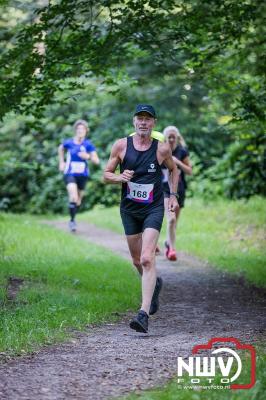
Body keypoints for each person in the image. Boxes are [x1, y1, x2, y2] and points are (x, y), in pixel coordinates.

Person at [103, 104, 179, 333]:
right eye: (140, 118)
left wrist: (173, 195)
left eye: (148, 119)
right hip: (129, 209)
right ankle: (155, 285)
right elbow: (106, 175)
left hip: (153, 208)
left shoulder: (162, 149)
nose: (143, 123)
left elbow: (174, 170)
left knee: (147, 258)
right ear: (134, 121)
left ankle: (143, 314)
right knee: (137, 261)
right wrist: (119, 178)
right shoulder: (121, 146)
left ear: (153, 123)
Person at [58, 119, 100, 232]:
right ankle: (72, 221)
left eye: (83, 129)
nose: (80, 131)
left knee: (78, 201)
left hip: (83, 175)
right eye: (78, 129)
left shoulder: (88, 145)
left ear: (86, 131)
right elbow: (60, 148)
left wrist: (88, 157)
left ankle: (73, 216)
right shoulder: (69, 142)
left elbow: (97, 161)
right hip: (70, 173)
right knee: (73, 196)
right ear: (75, 130)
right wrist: (61, 162)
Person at [162, 126, 192, 261]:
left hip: (179, 190)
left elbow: (190, 171)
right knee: (171, 219)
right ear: (165, 138)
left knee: (174, 223)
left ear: (177, 137)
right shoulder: (161, 151)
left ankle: (168, 243)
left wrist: (177, 162)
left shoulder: (182, 151)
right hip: (164, 190)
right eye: (169, 137)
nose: (172, 139)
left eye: (174, 136)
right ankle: (172, 250)